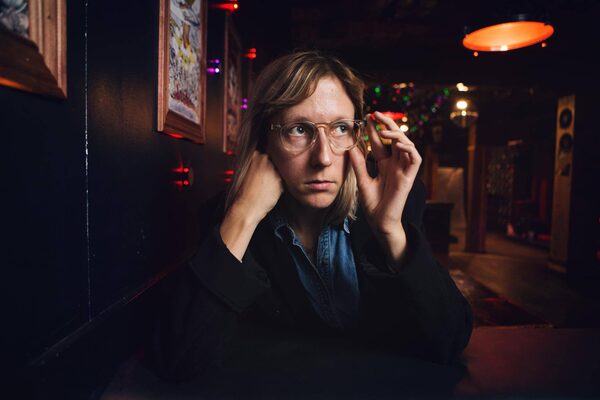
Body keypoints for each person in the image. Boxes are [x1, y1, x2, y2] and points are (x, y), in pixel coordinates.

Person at [150, 51, 473, 384]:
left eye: (341, 128)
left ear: (357, 137)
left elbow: (449, 340)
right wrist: (244, 215)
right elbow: (181, 358)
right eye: (299, 129)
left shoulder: (396, 199)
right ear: (264, 140)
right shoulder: (231, 218)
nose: (323, 157)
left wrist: (391, 231)